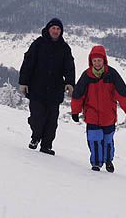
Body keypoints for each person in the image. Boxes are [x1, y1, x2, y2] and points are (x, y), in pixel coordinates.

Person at [71, 45, 126, 172]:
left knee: (107, 141)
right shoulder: (87, 76)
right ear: (91, 61)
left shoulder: (112, 74)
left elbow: (122, 92)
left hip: (108, 115)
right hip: (92, 114)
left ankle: (108, 161)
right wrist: (75, 111)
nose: (97, 63)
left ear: (104, 60)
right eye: (94, 61)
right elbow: (78, 95)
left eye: (99, 60)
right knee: (94, 140)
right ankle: (96, 163)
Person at [19, 18, 75, 155]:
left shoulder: (64, 48)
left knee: (51, 121)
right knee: (36, 117)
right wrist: (23, 82)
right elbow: (28, 63)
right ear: (48, 29)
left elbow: (69, 67)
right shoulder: (38, 44)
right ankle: (35, 137)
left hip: (55, 90)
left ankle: (46, 145)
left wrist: (69, 82)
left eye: (58, 29)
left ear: (61, 31)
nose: (55, 31)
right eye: (53, 28)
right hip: (36, 87)